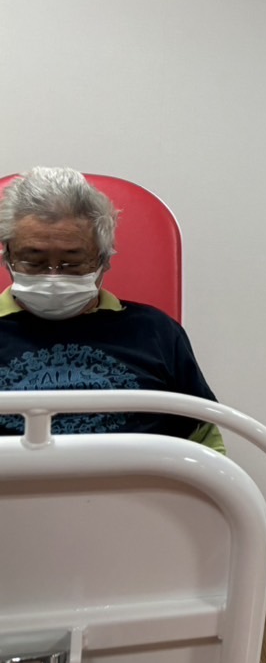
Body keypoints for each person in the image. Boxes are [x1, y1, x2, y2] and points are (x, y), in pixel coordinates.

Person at [0, 167, 224, 451]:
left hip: (137, 480)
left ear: (104, 260)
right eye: (34, 261)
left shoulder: (155, 332)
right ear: (7, 257)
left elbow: (205, 448)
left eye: (73, 263)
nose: (53, 276)